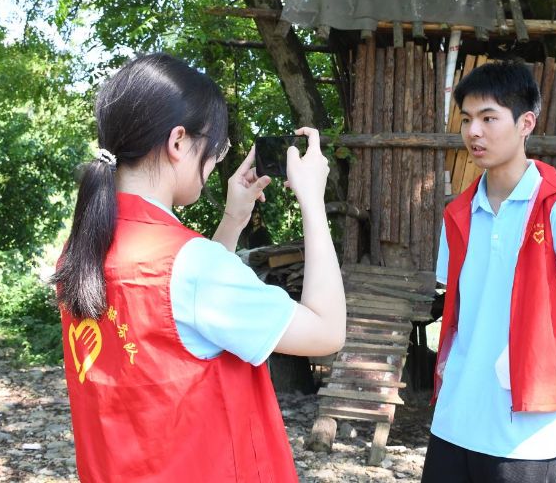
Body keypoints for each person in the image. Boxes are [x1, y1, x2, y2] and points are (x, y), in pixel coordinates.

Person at [52, 53, 346, 482]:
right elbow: (326, 331)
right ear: (178, 142)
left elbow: (185, 324)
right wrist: (313, 203)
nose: (213, 164)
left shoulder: (82, 250)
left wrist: (233, 219)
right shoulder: (190, 265)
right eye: (215, 150)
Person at [421, 60, 556, 483]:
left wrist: (531, 363)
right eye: (466, 119)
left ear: (526, 123)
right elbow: (460, 310)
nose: (474, 131)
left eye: (489, 118)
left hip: (525, 432)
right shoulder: (458, 214)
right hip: (454, 418)